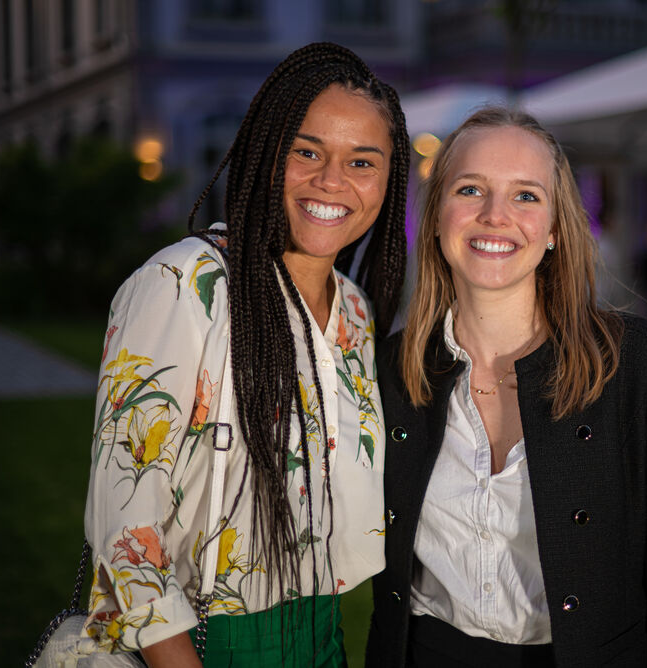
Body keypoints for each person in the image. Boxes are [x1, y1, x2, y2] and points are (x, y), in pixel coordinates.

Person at [82, 43, 409, 667]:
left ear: (388, 179)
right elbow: (122, 527)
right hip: (209, 641)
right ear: (265, 154)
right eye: (306, 151)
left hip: (325, 637)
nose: (332, 180)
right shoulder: (185, 286)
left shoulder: (356, 312)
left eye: (362, 161)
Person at [367, 108, 647, 667]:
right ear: (437, 215)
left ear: (556, 228)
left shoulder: (638, 366)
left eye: (526, 196)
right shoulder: (391, 369)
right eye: (470, 189)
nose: (495, 216)